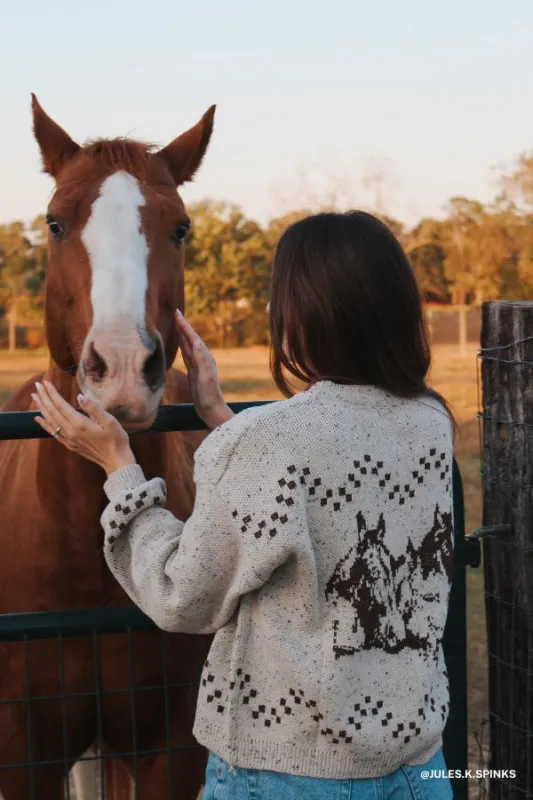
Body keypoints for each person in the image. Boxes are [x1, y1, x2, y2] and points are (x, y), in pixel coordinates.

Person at [34, 211, 454, 799]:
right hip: (422, 766)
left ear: (299, 315)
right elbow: (321, 488)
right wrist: (220, 421)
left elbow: (182, 595)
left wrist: (118, 468)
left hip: (289, 773)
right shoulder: (429, 420)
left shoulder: (275, 443)